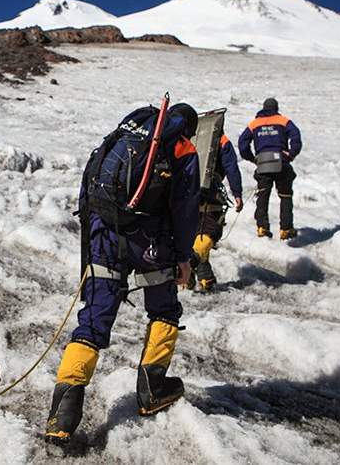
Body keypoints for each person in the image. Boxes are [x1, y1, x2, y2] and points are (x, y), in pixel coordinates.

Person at [44, 103, 200, 444]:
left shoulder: (128, 132)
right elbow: (186, 208)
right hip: (150, 241)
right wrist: (185, 257)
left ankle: (61, 416)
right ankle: (152, 389)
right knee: (164, 310)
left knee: (93, 320)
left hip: (105, 231)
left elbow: (91, 181)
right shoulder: (182, 146)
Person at [237, 98, 303, 240]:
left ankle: (262, 227)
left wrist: (252, 158)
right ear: (276, 108)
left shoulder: (254, 123)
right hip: (281, 161)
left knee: (263, 194)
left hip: (263, 162)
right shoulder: (283, 121)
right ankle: (286, 229)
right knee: (285, 195)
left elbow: (242, 143)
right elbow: (296, 136)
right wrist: (291, 154)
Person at [189, 132, 243, 292]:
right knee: (208, 233)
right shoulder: (222, 141)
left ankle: (205, 278)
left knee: (194, 236)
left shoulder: (191, 138)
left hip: (186, 193)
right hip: (211, 194)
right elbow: (231, 167)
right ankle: (189, 264)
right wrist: (237, 193)